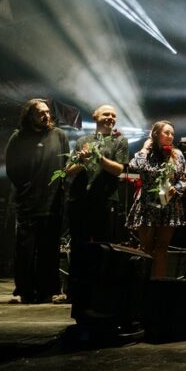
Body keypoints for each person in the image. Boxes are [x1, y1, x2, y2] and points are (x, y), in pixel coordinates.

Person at [5, 99, 69, 304]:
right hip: (28, 202)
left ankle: (48, 290)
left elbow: (66, 164)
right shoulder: (18, 137)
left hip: (53, 201)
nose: (46, 115)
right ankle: (25, 290)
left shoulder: (59, 135)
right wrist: (25, 189)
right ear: (30, 115)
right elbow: (11, 168)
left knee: (49, 249)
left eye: (48, 112)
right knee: (25, 249)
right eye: (41, 112)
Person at [64, 104, 128, 299]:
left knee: (104, 245)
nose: (110, 117)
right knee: (78, 245)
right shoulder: (83, 141)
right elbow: (68, 171)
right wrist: (82, 160)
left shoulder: (119, 140)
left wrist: (99, 157)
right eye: (106, 114)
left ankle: (101, 292)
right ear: (95, 116)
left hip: (105, 200)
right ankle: (75, 291)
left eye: (113, 115)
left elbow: (119, 169)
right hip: (80, 200)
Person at [127, 121, 186, 279]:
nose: (170, 136)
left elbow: (184, 177)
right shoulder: (146, 154)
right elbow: (135, 166)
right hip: (148, 203)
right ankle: (142, 282)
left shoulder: (177, 154)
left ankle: (158, 283)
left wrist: (177, 188)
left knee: (162, 246)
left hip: (168, 203)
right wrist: (144, 149)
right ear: (155, 134)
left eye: (172, 134)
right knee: (146, 246)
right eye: (166, 133)